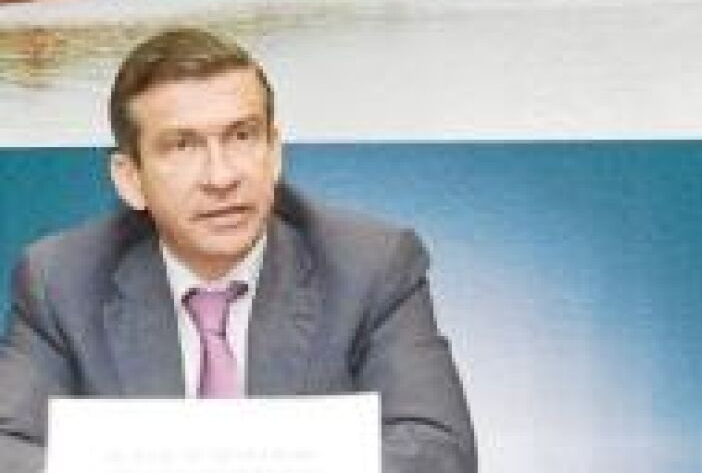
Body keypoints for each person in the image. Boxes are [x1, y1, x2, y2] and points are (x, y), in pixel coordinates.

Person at [0, 28, 476, 473]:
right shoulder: (61, 281)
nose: (221, 176)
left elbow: (438, 452)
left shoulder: (370, 266)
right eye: (182, 146)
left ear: (274, 151)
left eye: (242, 136)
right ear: (130, 179)